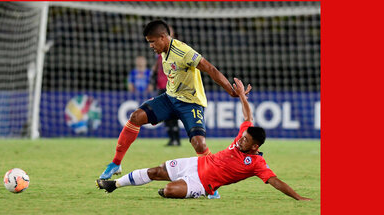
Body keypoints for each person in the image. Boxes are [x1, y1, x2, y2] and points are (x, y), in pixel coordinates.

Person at [99, 20, 250, 199]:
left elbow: (210, 68)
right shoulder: (164, 50)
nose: (151, 46)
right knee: (135, 116)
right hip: (170, 98)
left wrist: (230, 90)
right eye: (149, 42)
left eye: (153, 41)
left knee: (199, 144)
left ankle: (211, 182)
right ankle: (116, 163)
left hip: (191, 103)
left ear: (163, 37)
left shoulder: (183, 52)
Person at [97, 78, 312, 201]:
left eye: (245, 141)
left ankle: (205, 193)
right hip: (197, 162)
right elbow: (248, 116)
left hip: (203, 182)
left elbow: (276, 182)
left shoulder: (257, 164)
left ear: (255, 147)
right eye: (242, 137)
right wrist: (243, 96)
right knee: (155, 172)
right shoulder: (244, 134)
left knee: (170, 190)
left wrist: (298, 197)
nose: (240, 140)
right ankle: (114, 184)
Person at [148, 27, 180, 146]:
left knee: (173, 112)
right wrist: (152, 78)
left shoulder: (177, 49)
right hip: (161, 85)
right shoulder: (160, 51)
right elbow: (156, 66)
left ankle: (176, 138)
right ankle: (172, 138)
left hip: (172, 86)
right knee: (165, 113)